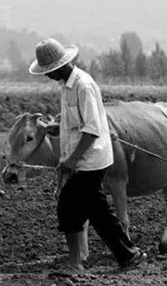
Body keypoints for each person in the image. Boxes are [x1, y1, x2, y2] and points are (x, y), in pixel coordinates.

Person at [29, 38, 146, 272]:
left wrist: (72, 160)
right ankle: (128, 255)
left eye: (50, 71)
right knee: (98, 212)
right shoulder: (67, 86)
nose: (48, 76)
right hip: (80, 160)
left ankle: (77, 263)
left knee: (68, 208)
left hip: (90, 160)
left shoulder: (83, 85)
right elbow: (78, 124)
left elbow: (92, 129)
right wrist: (57, 129)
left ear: (62, 66)